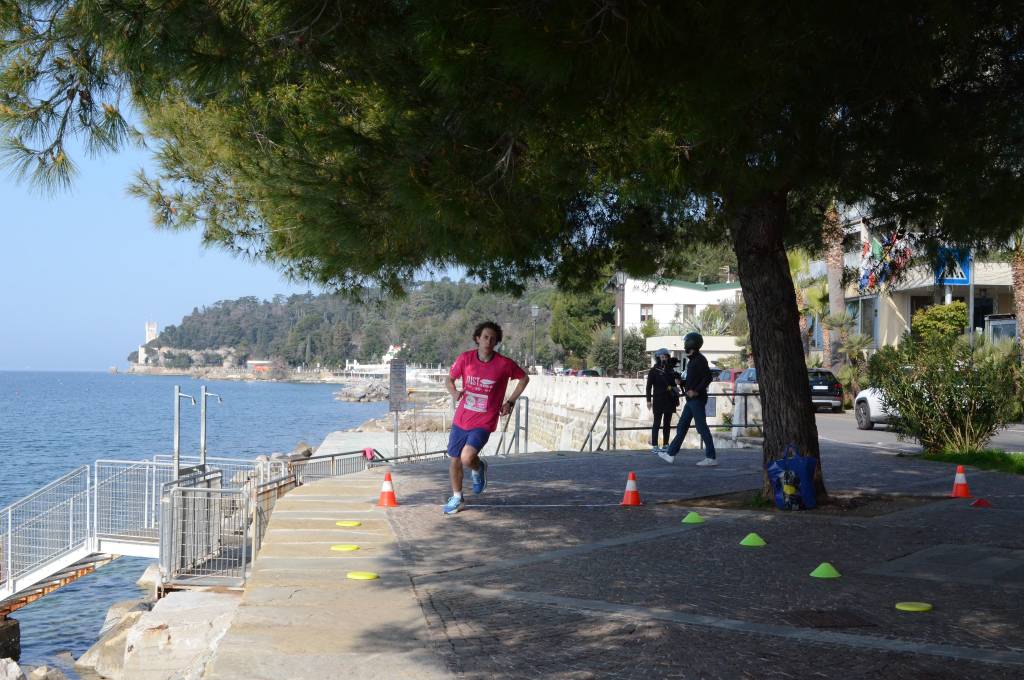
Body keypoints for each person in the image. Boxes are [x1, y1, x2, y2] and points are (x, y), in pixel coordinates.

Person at [443, 321, 529, 515]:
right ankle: (457, 498)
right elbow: (449, 379)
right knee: (454, 459)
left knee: (467, 458)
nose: (488, 341)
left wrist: (510, 401)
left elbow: (524, 378)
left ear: (496, 342)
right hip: (462, 418)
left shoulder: (504, 364)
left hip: (484, 421)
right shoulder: (465, 359)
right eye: (485, 337)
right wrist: (454, 392)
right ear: (477, 338)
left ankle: (479, 467)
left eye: (492, 338)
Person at [657, 332, 718, 466]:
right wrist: (682, 382)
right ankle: (670, 454)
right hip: (691, 401)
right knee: (682, 426)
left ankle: (711, 457)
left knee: (702, 428)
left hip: (697, 400)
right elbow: (693, 381)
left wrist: (696, 391)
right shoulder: (693, 360)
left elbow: (708, 377)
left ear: (691, 343)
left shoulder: (700, 360)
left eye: (686, 342)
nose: (684, 344)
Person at [645, 348, 679, 453]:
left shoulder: (671, 370)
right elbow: (648, 386)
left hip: (669, 399)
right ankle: (655, 445)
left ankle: (665, 444)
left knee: (667, 424)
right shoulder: (653, 370)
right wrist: (648, 400)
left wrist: (677, 383)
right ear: (658, 358)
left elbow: (674, 385)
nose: (664, 359)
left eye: (665, 357)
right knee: (657, 423)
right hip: (658, 399)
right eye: (662, 357)